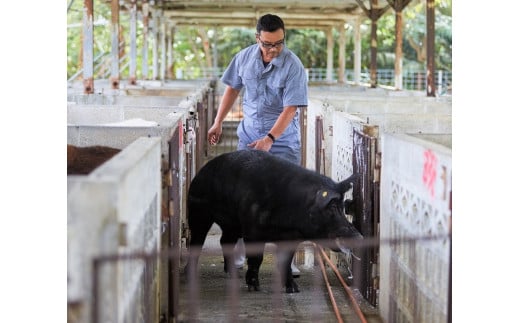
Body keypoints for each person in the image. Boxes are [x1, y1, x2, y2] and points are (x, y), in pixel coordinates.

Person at [207, 13, 308, 277]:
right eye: (267, 44)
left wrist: (270, 139)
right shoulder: (243, 58)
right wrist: (218, 121)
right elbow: (232, 89)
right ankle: (240, 255)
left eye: (279, 43)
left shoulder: (293, 65)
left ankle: (287, 260)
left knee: (286, 199)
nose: (273, 49)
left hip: (282, 141)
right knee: (244, 197)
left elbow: (290, 109)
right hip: (248, 136)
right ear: (257, 38)